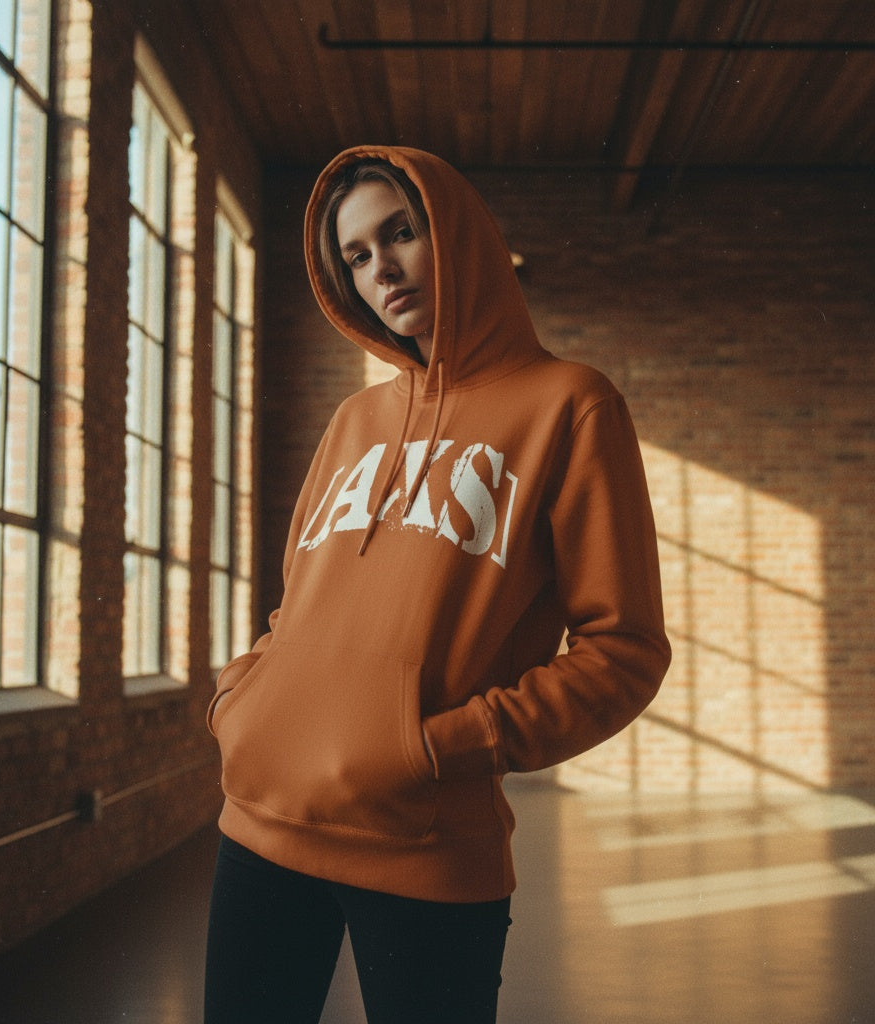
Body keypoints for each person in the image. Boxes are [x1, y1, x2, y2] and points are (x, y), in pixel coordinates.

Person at [203, 145, 670, 1024]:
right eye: (355, 255)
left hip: (426, 848)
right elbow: (295, 607)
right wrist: (245, 697)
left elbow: (624, 650)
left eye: (401, 233)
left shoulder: (571, 406)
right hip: (259, 824)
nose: (381, 267)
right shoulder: (354, 420)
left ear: (457, 237)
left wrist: (453, 744)